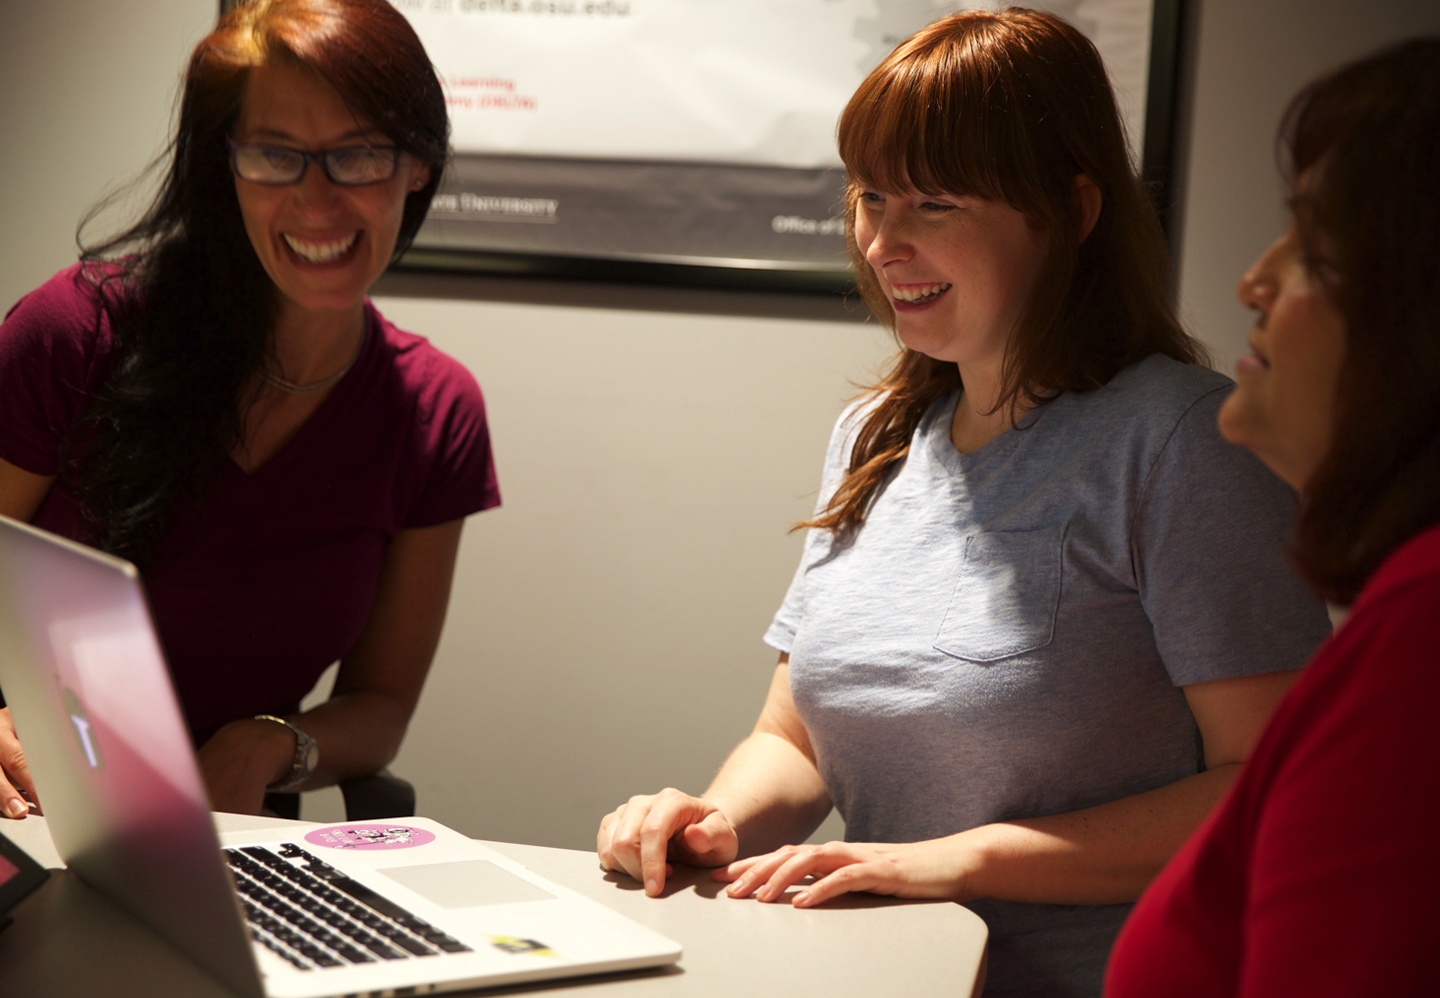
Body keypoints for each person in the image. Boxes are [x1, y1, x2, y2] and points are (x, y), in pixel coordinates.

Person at [597, 10, 1331, 997]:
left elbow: (1270, 785)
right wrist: (714, 821)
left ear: (1070, 211)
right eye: (869, 198)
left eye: (933, 203)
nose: (884, 242)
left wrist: (953, 857)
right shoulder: (875, 435)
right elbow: (796, 735)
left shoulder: (1183, 437)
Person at [0, 0, 498, 819]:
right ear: (225, 167)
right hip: (10, 820)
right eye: (276, 155)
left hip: (227, 850)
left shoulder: (436, 409)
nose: (318, 201)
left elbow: (379, 708)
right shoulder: (75, 332)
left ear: (417, 164)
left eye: (359, 155)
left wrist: (271, 741)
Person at [1104, 38, 1440, 998]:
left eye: (1318, 253)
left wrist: (968, 856)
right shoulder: (876, 432)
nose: (1255, 279)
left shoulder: (1424, 640)